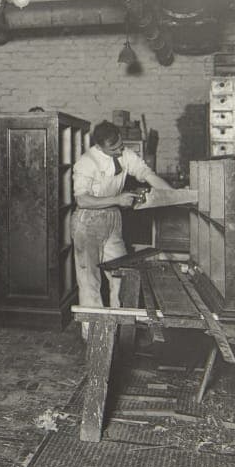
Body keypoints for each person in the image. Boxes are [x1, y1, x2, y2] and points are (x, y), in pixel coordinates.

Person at [71, 120, 172, 327]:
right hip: (87, 222)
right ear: (99, 146)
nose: (119, 151)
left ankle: (119, 329)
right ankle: (93, 335)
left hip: (112, 219)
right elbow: (81, 199)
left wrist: (173, 195)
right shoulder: (86, 162)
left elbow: (146, 174)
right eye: (113, 149)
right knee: (90, 280)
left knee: (122, 274)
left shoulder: (126, 154)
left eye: (120, 146)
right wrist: (117, 199)